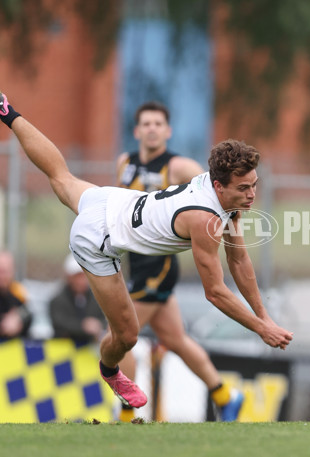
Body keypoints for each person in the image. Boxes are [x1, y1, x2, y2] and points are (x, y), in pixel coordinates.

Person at [0, 92, 293, 414]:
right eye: (244, 188)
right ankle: (111, 372)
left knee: (61, 175)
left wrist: (264, 315)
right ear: (219, 186)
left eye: (254, 185)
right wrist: (260, 327)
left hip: (112, 202)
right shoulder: (205, 219)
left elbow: (239, 259)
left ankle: (7, 112)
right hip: (97, 237)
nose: (252, 195)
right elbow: (215, 292)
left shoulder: (222, 193)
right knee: (126, 336)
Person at [115, 101, 244, 421]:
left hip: (159, 267)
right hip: (136, 264)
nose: (152, 129)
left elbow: (215, 194)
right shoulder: (125, 163)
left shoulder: (179, 167)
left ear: (168, 131)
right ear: (137, 130)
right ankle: (226, 395)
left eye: (158, 123)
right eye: (146, 123)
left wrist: (229, 225)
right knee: (175, 339)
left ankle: (127, 414)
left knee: (120, 339)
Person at [49, 254, 107, 343]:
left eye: (84, 275)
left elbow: (107, 320)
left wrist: (98, 325)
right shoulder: (58, 300)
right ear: (69, 277)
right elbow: (59, 323)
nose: (81, 280)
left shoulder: (97, 299)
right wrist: (83, 326)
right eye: (77, 276)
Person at [0, 250, 32, 339]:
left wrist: (19, 318)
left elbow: (28, 313)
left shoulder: (16, 291)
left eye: (6, 271)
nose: (3, 276)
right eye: (0, 271)